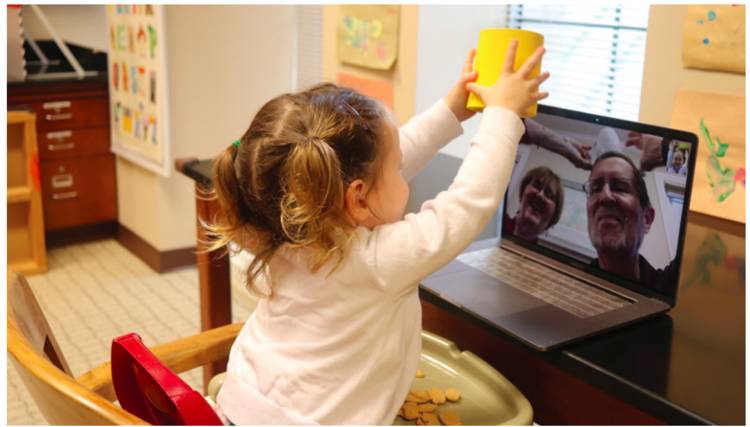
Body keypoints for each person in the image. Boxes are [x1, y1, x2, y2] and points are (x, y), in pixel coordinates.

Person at [208, 42, 548, 424]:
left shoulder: (287, 228)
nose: (403, 173)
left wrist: (452, 111)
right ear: (356, 198)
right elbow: (469, 202)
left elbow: (388, 157)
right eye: (397, 168)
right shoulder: (377, 261)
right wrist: (504, 116)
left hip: (240, 402)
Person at [584, 151, 678, 293]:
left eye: (620, 187)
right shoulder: (568, 288)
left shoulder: (669, 287)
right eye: (595, 189)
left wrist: (666, 149)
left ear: (646, 219)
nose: (605, 196)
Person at [503, 166, 564, 242]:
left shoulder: (538, 254)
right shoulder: (495, 223)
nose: (540, 195)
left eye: (549, 195)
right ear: (523, 192)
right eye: (536, 186)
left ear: (553, 216)